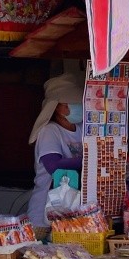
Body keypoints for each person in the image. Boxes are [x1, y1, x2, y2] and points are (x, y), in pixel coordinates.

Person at [27, 74, 85, 228]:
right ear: (56, 107)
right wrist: (89, 162)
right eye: (68, 104)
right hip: (45, 212)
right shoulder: (49, 131)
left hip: (69, 212)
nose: (76, 106)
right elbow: (54, 165)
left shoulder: (81, 129)